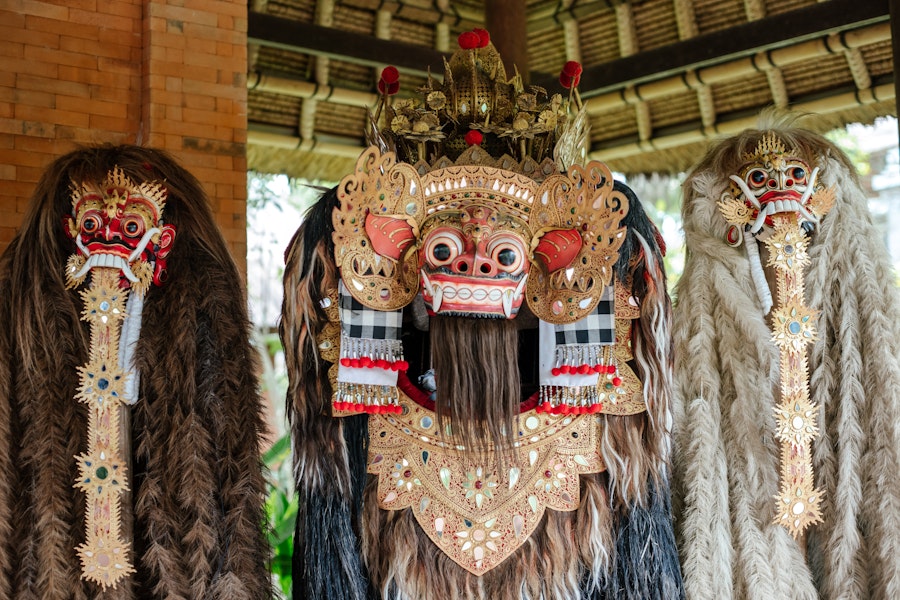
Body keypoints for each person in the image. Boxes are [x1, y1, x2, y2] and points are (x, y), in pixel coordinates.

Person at [281, 29, 683, 600]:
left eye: (503, 253)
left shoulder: (610, 421)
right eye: (446, 249)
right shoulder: (355, 418)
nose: (475, 263)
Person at [0, 144, 271, 598]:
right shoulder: (29, 314)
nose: (109, 238)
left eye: (129, 227)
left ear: (163, 239)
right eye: (92, 225)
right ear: (70, 231)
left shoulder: (195, 314)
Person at [673, 111, 900, 599]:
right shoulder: (708, 314)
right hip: (753, 470)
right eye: (759, 180)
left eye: (796, 175)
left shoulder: (855, 307)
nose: (780, 187)